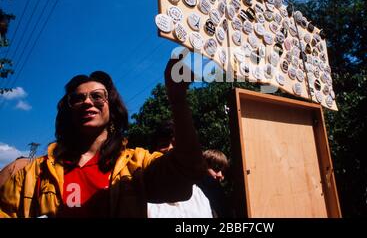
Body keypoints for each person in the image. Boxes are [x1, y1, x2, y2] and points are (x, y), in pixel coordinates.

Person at [0, 56, 205, 217]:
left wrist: (177, 98)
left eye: (97, 96)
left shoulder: (136, 165)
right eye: (78, 99)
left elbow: (186, 172)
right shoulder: (34, 173)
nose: (87, 102)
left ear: (112, 109)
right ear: (68, 112)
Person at [146, 124, 213, 218]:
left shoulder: (201, 194)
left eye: (176, 144)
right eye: (163, 145)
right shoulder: (145, 199)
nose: (170, 148)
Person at [197, 149, 232, 218]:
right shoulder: (193, 193)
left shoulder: (219, 194)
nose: (220, 175)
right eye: (216, 169)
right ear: (203, 166)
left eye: (223, 171)